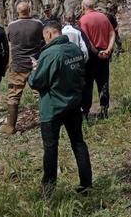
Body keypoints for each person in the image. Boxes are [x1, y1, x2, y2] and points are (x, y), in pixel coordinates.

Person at [29, 20, 93, 195]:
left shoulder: (49, 54)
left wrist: (34, 70)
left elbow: (37, 82)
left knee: (50, 147)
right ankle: (86, 183)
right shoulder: (75, 49)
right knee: (78, 143)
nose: (45, 41)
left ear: (49, 34)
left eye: (45, 37)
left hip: (52, 107)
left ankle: (48, 189)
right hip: (73, 104)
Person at [1, 2, 45, 135]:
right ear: (29, 10)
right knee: (40, 95)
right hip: (35, 65)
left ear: (17, 11)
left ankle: (10, 126)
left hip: (18, 65)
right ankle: (46, 123)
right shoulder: (38, 24)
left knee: (13, 95)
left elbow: (9, 41)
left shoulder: (11, 26)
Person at [79, 0, 115, 120]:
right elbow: (112, 33)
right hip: (104, 55)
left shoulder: (83, 20)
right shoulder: (104, 17)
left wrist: (97, 52)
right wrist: (108, 50)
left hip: (91, 56)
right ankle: (104, 109)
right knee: (103, 82)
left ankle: (85, 112)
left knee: (88, 84)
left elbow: (86, 40)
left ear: (83, 7)